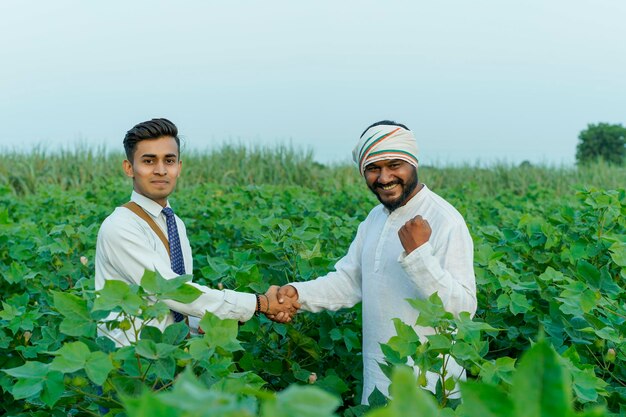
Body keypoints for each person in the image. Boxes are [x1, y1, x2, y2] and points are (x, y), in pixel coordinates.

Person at [274, 121, 477, 403]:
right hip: (379, 382)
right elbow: (349, 281)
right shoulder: (375, 218)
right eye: (373, 168)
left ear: (413, 163)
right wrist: (298, 293)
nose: (384, 178)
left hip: (431, 389)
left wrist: (419, 255)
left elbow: (462, 309)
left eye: (395, 165)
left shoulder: (446, 220)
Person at [95, 118, 299, 346]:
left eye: (169, 160)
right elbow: (172, 291)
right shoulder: (121, 226)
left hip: (173, 357)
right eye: (149, 161)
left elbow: (176, 307)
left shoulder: (175, 223)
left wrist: (208, 320)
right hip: (133, 365)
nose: (161, 170)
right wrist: (259, 303)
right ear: (129, 168)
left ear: (179, 167)